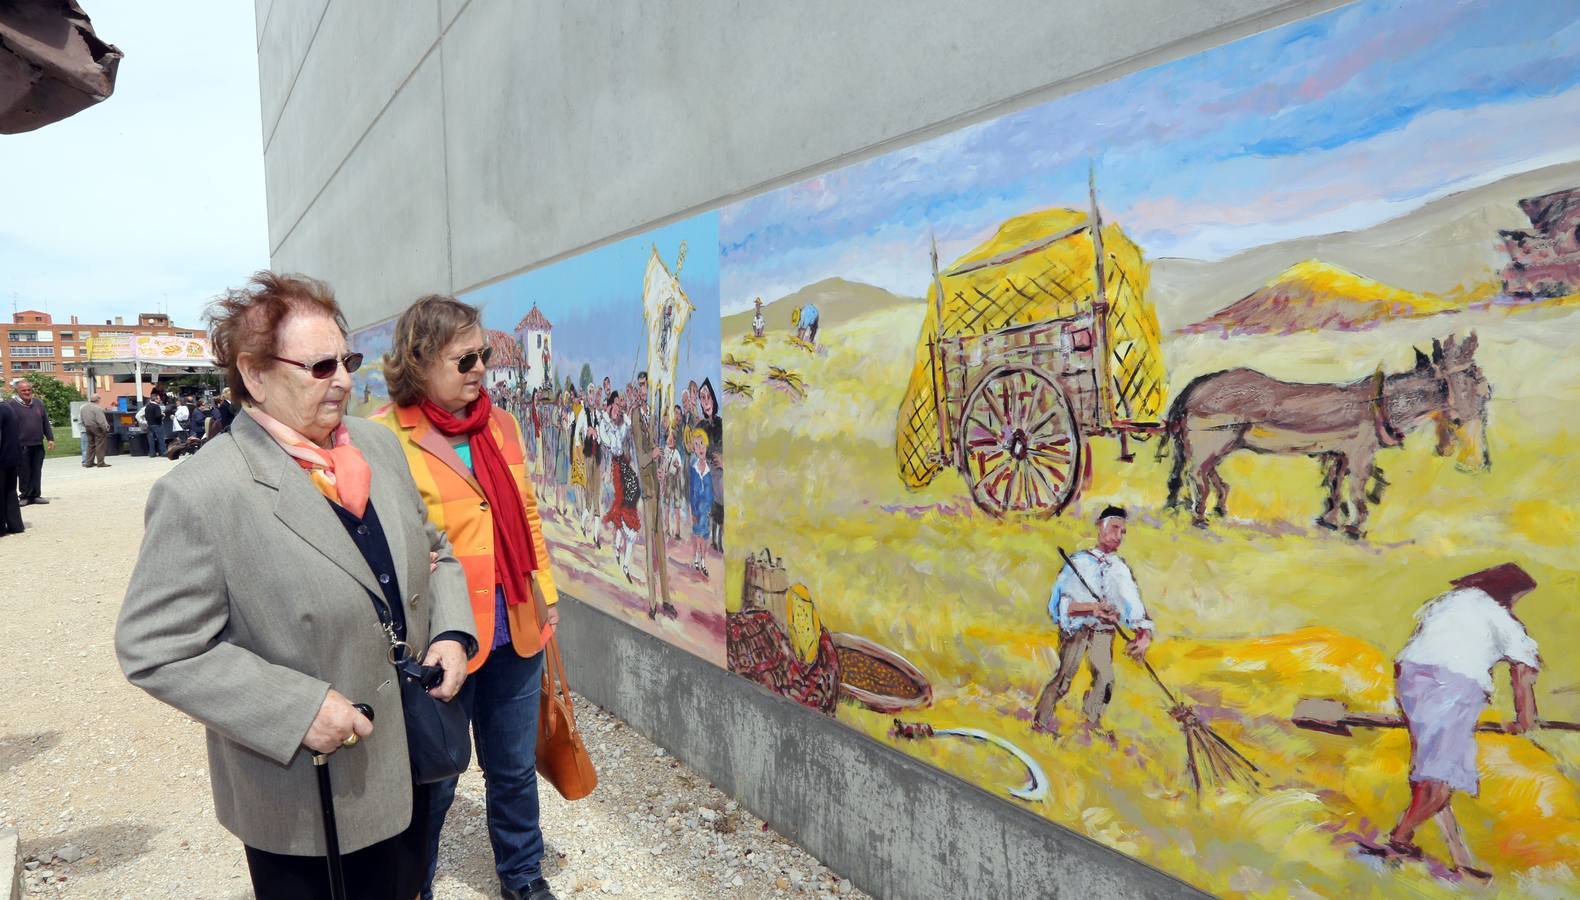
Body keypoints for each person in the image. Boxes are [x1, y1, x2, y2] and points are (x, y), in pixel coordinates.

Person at [115, 272, 477, 900]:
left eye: (347, 360)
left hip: (408, 756)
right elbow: (157, 647)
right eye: (318, 366)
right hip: (308, 798)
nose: (342, 380)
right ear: (254, 375)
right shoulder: (201, 493)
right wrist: (298, 709)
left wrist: (448, 630)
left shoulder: (375, 445)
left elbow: (435, 552)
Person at [372, 295, 561, 900]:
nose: (480, 367)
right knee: (437, 774)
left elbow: (526, 514)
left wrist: (547, 592)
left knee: (512, 767)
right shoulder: (382, 437)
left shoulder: (500, 424)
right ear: (420, 361)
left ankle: (523, 875)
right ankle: (414, 885)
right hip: (443, 632)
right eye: (464, 359)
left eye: (483, 354)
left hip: (515, 618)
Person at [1385, 562, 1541, 881]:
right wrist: (1525, 718)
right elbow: (1523, 671)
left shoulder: (1450, 600)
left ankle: (1459, 857)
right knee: (1441, 780)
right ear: (1507, 593)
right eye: (1517, 598)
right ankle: (1399, 839)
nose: (1515, 604)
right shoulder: (1502, 618)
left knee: (1430, 771)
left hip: (1411, 678)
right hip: (1453, 687)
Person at [1031, 506, 1154, 737]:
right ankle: (1040, 722)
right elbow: (1060, 607)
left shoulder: (1120, 569)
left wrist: (1144, 634)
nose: (1118, 535)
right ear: (1100, 526)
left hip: (1103, 633)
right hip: (1077, 631)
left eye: (1123, 531)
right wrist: (1093, 608)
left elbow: (1134, 607)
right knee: (1064, 677)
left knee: (1105, 679)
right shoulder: (1078, 563)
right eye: (1115, 528)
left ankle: (1091, 723)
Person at [631, 372, 674, 618]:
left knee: (661, 545)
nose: (643, 390)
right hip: (647, 489)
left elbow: (659, 449)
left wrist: (661, 469)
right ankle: (652, 603)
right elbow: (641, 453)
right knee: (650, 547)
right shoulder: (637, 414)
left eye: (645, 386)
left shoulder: (653, 414)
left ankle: (666, 598)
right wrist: (653, 456)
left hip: (656, 485)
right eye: (640, 386)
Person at [7, 379, 54, 505]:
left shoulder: (38, 403)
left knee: (36, 471)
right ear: (18, 391)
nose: (27, 392)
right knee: (24, 472)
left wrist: (50, 438)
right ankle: (24, 496)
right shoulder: (11, 405)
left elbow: (45, 422)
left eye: (29, 390)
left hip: (38, 444)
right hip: (21, 445)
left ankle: (36, 495)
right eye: (23, 390)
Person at [685, 429, 714, 577]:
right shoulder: (693, 469)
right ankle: (697, 557)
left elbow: (711, 493)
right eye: (696, 445)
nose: (700, 447)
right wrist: (693, 510)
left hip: (706, 510)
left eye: (702, 444)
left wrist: (708, 509)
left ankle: (703, 561)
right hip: (697, 509)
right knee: (697, 535)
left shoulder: (709, 470)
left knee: (705, 536)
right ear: (694, 449)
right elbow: (692, 491)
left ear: (706, 446)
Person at [0, 399, 23, 535]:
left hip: (2, 458)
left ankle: (1, 527)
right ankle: (16, 525)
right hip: (12, 457)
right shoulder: (8, 408)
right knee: (10, 492)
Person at [80, 394, 111, 468]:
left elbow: (82, 419)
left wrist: (86, 425)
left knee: (90, 445)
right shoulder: (97, 408)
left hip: (87, 427)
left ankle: (89, 463)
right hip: (97, 428)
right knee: (100, 445)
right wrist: (105, 429)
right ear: (97, 400)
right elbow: (101, 421)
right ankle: (100, 462)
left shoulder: (83, 407)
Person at [142, 393, 168, 457]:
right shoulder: (156, 406)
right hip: (157, 425)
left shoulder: (147, 406)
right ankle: (163, 452)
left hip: (150, 425)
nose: (160, 400)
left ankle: (152, 453)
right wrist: (162, 414)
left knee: (151, 440)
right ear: (155, 399)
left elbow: (146, 416)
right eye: (159, 399)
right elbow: (157, 416)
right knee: (161, 439)